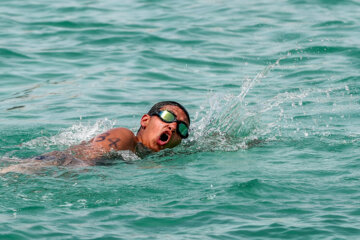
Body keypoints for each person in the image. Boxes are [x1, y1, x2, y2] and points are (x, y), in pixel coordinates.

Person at [0, 101, 190, 172]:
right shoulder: (124, 136)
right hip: (51, 164)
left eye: (182, 128)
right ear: (145, 120)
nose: (173, 126)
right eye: (168, 116)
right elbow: (85, 157)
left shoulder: (149, 154)